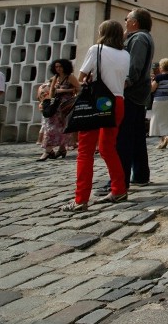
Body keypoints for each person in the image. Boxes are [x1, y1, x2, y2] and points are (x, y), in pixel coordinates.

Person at [61, 20, 130, 211]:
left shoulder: (96, 49)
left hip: (97, 101)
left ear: (103, 32)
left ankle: (81, 199)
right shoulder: (125, 54)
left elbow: (81, 77)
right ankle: (119, 188)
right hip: (117, 101)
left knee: (85, 150)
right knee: (108, 148)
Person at [117, 8, 155, 189]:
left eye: (127, 19)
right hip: (138, 94)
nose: (125, 22)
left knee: (125, 138)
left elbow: (135, 65)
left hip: (132, 94)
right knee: (137, 137)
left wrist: (126, 82)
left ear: (135, 22)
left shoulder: (139, 38)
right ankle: (140, 175)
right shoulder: (141, 37)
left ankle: (120, 179)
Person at [37, 59, 80, 161]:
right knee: (50, 126)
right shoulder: (55, 77)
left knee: (64, 127)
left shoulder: (70, 77)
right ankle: (48, 150)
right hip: (56, 105)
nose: (58, 69)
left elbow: (79, 88)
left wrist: (64, 90)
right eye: (56, 67)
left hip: (66, 105)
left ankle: (61, 149)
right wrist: (49, 101)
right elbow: (51, 90)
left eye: (60, 66)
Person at [151, 58, 168, 150]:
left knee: (158, 120)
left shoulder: (158, 77)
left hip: (159, 100)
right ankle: (163, 141)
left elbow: (152, 89)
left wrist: (151, 81)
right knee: (167, 119)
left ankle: (164, 138)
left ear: (161, 67)